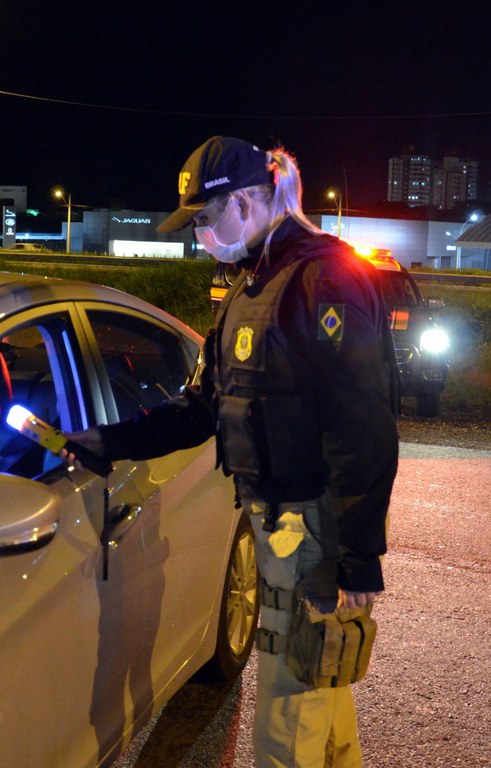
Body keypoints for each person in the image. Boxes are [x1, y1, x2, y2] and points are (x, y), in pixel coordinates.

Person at [64, 135, 399, 767]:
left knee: (285, 722)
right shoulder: (250, 288)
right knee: (319, 702)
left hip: (312, 533)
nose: (199, 237)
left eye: (206, 220)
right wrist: (110, 442)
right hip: (279, 527)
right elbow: (203, 407)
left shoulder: (325, 278)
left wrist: (357, 563)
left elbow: (365, 430)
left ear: (247, 201)